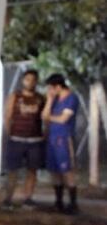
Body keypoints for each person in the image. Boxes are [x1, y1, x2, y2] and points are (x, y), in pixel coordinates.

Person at [2, 68, 46, 209]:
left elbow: (45, 118)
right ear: (23, 81)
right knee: (12, 170)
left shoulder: (41, 98)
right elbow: (7, 116)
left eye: (33, 80)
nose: (30, 82)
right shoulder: (15, 96)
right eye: (27, 79)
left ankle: (28, 198)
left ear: (36, 82)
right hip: (17, 139)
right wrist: (10, 133)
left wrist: (44, 134)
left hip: (35, 140)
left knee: (32, 171)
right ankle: (8, 199)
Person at [42, 73, 79, 214]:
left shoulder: (71, 98)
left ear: (58, 87)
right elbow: (44, 116)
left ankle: (73, 203)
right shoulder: (55, 99)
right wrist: (49, 100)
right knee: (54, 171)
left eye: (50, 88)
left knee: (67, 171)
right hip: (52, 138)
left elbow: (63, 119)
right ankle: (58, 202)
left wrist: (49, 117)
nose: (49, 91)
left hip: (63, 138)